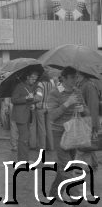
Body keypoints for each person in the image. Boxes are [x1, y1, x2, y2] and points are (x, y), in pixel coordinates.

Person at [46, 67, 90, 199]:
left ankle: (54, 193)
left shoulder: (77, 91)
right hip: (59, 132)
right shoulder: (55, 93)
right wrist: (67, 103)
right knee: (67, 165)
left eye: (76, 77)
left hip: (74, 133)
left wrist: (82, 109)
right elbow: (52, 115)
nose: (75, 80)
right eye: (72, 77)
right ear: (63, 78)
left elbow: (86, 111)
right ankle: (76, 194)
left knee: (65, 164)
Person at [11, 70, 39, 162]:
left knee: (25, 138)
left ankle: (24, 159)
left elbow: (30, 100)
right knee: (23, 138)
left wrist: (32, 103)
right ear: (27, 77)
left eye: (35, 79)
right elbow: (14, 100)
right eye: (32, 78)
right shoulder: (19, 86)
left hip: (27, 114)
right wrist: (26, 98)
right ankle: (23, 160)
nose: (34, 81)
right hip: (20, 115)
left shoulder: (29, 87)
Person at [75, 71, 100, 171]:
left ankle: (79, 168)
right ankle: (93, 164)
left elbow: (93, 106)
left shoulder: (88, 86)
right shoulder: (82, 84)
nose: (75, 77)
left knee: (82, 146)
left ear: (82, 75)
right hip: (84, 118)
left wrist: (93, 124)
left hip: (87, 120)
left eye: (76, 75)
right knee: (90, 144)